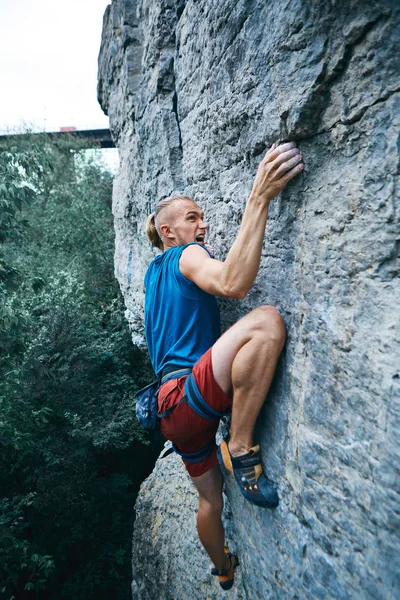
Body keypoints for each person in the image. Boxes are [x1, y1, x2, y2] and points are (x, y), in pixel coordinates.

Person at [143, 141, 303, 590]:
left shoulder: (152, 275)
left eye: (201, 215)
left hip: (172, 414)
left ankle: (224, 569)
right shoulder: (185, 255)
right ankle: (241, 445)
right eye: (192, 217)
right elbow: (233, 282)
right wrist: (260, 196)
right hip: (189, 397)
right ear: (168, 232)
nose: (203, 222)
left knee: (210, 502)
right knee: (267, 323)